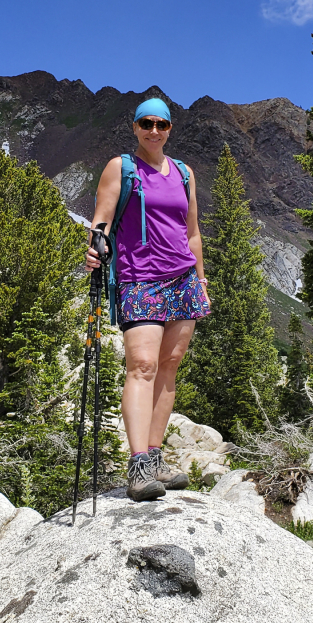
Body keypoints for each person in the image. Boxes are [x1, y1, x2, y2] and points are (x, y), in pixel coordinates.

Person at [85, 97, 211, 502]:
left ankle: (156, 457)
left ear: (170, 128)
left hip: (182, 279)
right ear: (135, 127)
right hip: (139, 279)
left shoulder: (184, 173)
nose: (154, 131)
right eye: (146, 123)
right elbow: (101, 221)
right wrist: (95, 249)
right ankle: (138, 464)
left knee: (169, 366)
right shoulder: (121, 167)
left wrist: (201, 278)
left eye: (161, 124)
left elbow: (191, 232)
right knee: (142, 365)